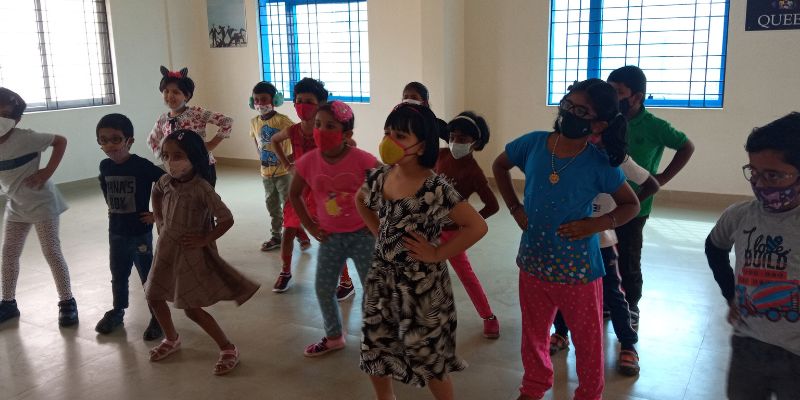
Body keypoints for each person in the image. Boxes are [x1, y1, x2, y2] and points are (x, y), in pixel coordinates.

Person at [492, 79, 640, 400]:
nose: (569, 113)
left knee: (587, 340)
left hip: (577, 272)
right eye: (568, 104)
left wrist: (596, 225)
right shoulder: (533, 144)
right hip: (533, 263)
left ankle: (588, 393)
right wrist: (515, 207)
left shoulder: (599, 164)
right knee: (533, 334)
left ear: (599, 124)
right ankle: (534, 385)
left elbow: (631, 204)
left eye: (581, 111)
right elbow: (500, 166)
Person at [357, 102, 488, 400]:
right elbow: (360, 200)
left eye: (400, 136)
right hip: (382, 279)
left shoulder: (435, 187)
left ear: (422, 145)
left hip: (421, 286)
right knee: (376, 344)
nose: (389, 141)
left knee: (428, 354)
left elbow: (476, 226)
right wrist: (379, 233)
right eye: (387, 133)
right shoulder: (382, 176)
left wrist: (437, 254)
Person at [145, 129, 260, 375]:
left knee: (191, 308)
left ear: (194, 157)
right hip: (166, 249)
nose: (170, 161)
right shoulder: (165, 181)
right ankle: (171, 338)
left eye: (178, 156)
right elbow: (156, 191)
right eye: (166, 155)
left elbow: (226, 219)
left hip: (190, 253)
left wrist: (205, 239)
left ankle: (227, 347)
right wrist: (159, 219)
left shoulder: (201, 188)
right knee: (153, 295)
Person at [549, 130, 660, 377]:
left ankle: (628, 344)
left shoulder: (618, 159)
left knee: (612, 292)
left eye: (600, 133)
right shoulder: (569, 157)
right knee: (563, 287)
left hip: (602, 240)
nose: (593, 139)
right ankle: (561, 333)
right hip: (570, 236)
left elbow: (652, 184)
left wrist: (621, 211)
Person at [706, 112, 800, 399]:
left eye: (773, 175)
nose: (759, 184)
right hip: (748, 344)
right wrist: (730, 294)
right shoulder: (739, 216)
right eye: (753, 172)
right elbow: (714, 247)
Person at [607, 65, 695, 327]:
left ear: (637, 97)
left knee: (628, 258)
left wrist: (662, 179)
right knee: (605, 255)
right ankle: (608, 301)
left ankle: (631, 305)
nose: (612, 97)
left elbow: (686, 146)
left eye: (618, 92)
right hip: (604, 205)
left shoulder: (655, 126)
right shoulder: (606, 120)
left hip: (636, 206)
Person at [289, 101, 378, 356]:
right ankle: (334, 337)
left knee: (373, 289)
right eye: (318, 124)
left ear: (347, 134)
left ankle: (376, 337)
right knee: (323, 288)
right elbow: (294, 194)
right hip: (330, 238)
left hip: (363, 236)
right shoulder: (308, 162)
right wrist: (310, 226)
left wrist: (377, 220)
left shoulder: (363, 160)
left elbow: (387, 184)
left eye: (330, 126)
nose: (321, 130)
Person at [0, 87, 78, 326]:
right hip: (16, 205)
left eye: (5, 115)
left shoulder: (26, 138)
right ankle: (8, 303)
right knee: (9, 254)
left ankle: (67, 302)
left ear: (16, 120)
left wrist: (47, 172)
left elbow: (60, 141)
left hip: (42, 204)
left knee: (51, 251)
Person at [271, 78, 353, 298]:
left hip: (324, 194)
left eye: (309, 101)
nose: (302, 105)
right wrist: (287, 164)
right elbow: (274, 141)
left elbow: (350, 147)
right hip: (298, 192)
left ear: (322, 105)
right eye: (298, 101)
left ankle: (346, 281)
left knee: (330, 236)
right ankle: (285, 271)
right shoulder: (293, 130)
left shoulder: (328, 131)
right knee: (288, 230)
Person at [94, 113, 165, 340]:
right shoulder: (105, 166)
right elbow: (104, 186)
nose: (110, 145)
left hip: (139, 234)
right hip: (116, 232)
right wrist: (111, 206)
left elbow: (169, 184)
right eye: (103, 140)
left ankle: (158, 316)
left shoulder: (141, 166)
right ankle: (117, 311)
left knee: (147, 277)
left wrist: (157, 214)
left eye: (116, 139)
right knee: (118, 274)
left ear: (129, 141)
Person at [434, 111, 501, 338]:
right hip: (429, 229)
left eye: (462, 139)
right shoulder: (440, 155)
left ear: (475, 143)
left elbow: (492, 205)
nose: (455, 142)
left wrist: (467, 225)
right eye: (452, 137)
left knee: (466, 276)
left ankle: (488, 317)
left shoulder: (474, 172)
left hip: (453, 235)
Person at [147, 66, 233, 187]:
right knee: (182, 196)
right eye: (166, 91)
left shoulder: (196, 113)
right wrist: (165, 157)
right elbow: (152, 140)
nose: (170, 96)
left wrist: (211, 145)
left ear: (186, 96)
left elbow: (227, 121)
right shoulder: (162, 119)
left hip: (201, 166)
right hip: (177, 169)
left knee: (203, 195)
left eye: (176, 92)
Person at [248, 81, 294, 252]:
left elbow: (298, 137)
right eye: (256, 100)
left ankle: (296, 232)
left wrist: (290, 159)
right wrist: (260, 157)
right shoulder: (254, 121)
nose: (260, 103)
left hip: (283, 172)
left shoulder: (283, 121)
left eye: (264, 99)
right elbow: (255, 139)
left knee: (288, 204)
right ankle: (276, 236)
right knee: (272, 205)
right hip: (266, 173)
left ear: (274, 100)